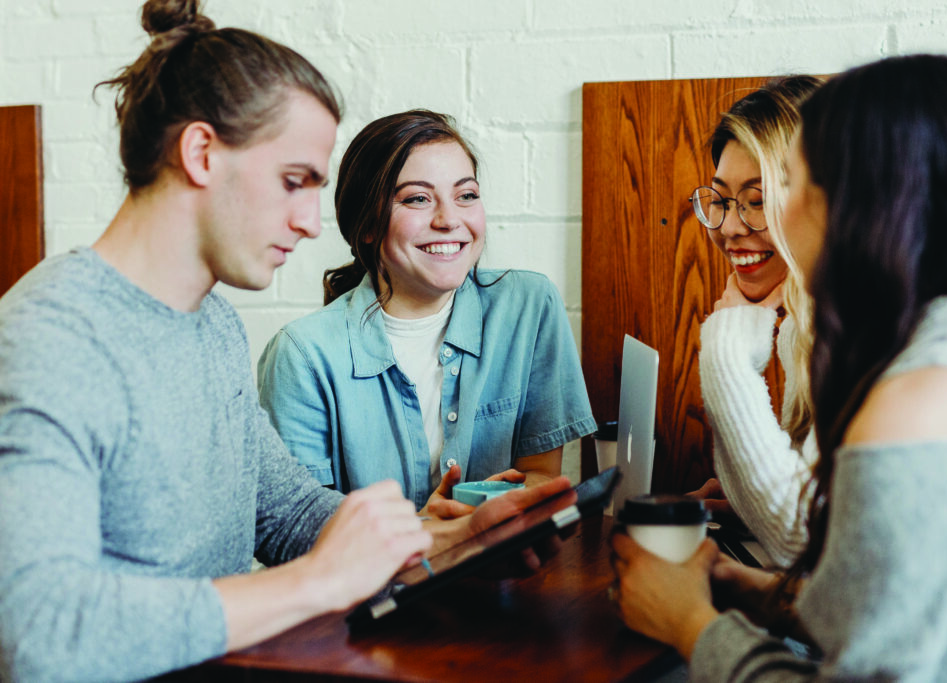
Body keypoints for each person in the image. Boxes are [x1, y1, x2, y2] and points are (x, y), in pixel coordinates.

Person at [0, 3, 570, 680]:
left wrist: (437, 542)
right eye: (293, 181)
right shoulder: (50, 338)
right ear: (201, 153)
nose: (308, 222)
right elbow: (39, 632)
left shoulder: (210, 323)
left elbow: (288, 511)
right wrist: (318, 583)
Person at [612, 53, 947, 680]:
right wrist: (759, 594)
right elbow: (907, 617)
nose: (752, 222)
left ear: (861, 201)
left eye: (791, 183)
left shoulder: (920, 397)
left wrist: (690, 624)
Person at [257, 109, 597, 517]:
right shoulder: (302, 355)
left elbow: (541, 475)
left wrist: (487, 511)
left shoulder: (528, 306)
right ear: (366, 224)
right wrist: (428, 531)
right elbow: (300, 529)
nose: (449, 219)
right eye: (418, 198)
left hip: (503, 572)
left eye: (466, 195)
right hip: (377, 581)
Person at [688, 76, 821, 567]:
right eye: (720, 200)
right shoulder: (803, 326)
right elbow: (812, 520)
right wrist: (747, 500)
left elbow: (800, 541)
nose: (728, 227)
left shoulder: (864, 330)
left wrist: (725, 349)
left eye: (758, 199)